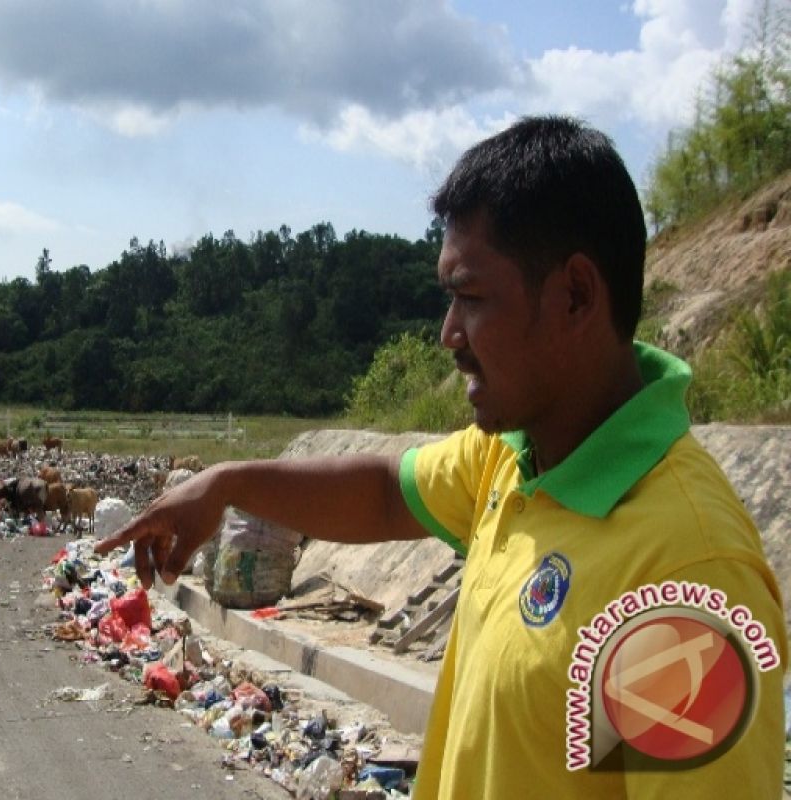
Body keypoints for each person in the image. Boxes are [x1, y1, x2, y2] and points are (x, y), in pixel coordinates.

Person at [97, 116, 786, 797]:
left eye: (472, 297)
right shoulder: (514, 458)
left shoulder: (683, 576)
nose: (448, 334)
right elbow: (386, 494)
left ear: (575, 294)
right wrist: (225, 483)